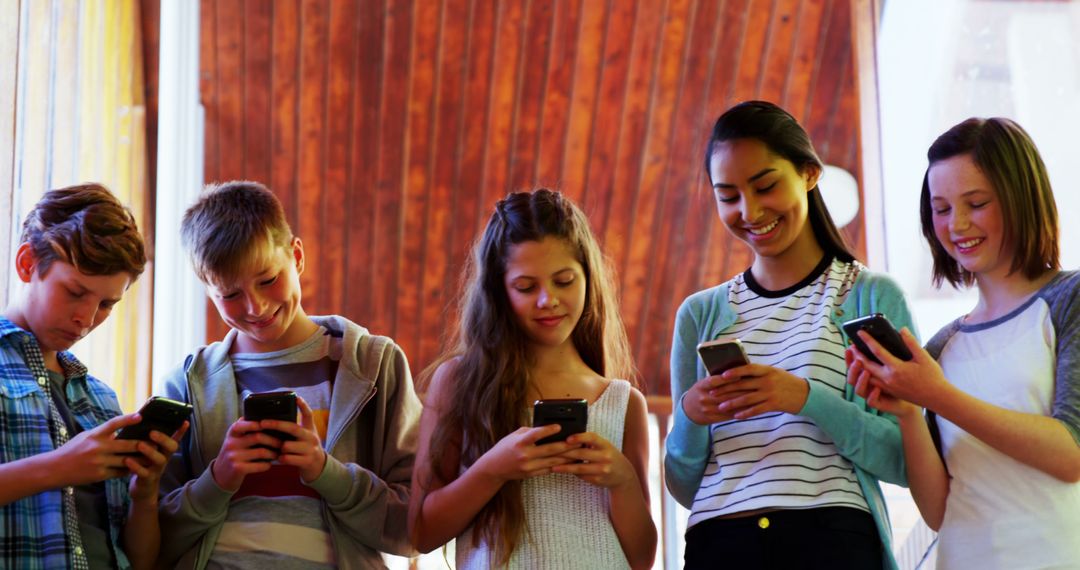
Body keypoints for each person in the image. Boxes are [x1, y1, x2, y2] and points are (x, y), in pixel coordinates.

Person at [665, 101, 915, 569]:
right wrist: (690, 417)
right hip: (718, 542)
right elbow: (682, 485)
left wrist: (803, 397)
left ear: (810, 174)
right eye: (728, 195)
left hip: (829, 538)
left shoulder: (869, 297)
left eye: (765, 186)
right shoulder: (699, 314)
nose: (750, 210)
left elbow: (904, 460)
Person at [847, 117, 1080, 568]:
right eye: (941, 208)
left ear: (1020, 198)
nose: (957, 225)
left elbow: (1071, 453)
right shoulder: (940, 348)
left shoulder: (1069, 301)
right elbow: (938, 511)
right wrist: (911, 411)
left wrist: (937, 394)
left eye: (976, 203)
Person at [156, 181, 422, 569]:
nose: (256, 306)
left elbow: (413, 529)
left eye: (267, 279)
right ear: (207, 291)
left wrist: (325, 472)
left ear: (296, 256)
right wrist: (219, 478)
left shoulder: (373, 365)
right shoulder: (184, 386)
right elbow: (149, 540)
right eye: (230, 295)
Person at [408, 189, 657, 569]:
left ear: (588, 278)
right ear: (499, 293)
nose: (548, 300)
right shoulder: (460, 382)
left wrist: (622, 481)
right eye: (526, 287)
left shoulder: (624, 403)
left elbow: (641, 559)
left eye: (564, 281)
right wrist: (493, 469)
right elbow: (422, 532)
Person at [0, 183, 182, 569]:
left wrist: (144, 494)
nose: (87, 319)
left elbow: (140, 560)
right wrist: (59, 467)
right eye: (75, 292)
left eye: (106, 304)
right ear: (27, 264)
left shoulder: (102, 400)